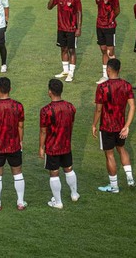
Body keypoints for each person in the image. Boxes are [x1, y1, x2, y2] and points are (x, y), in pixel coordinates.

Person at [92, 58, 136, 193]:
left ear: (108, 70)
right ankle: (130, 177)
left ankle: (114, 186)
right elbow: (132, 106)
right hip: (121, 125)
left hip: (107, 126)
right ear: (119, 70)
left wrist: (94, 124)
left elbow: (99, 109)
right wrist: (127, 125)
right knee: (122, 149)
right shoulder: (127, 85)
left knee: (109, 155)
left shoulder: (102, 87)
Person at [0, 77, 25, 211]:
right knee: (17, 173)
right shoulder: (18, 106)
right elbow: (20, 126)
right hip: (14, 145)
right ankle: (20, 202)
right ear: (10, 89)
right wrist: (20, 141)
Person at [39, 79, 80, 209]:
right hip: (66, 144)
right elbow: (71, 125)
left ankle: (58, 202)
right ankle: (74, 194)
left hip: (52, 147)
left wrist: (41, 147)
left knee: (54, 173)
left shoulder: (46, 110)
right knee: (69, 169)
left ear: (49, 92)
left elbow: (43, 131)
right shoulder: (70, 107)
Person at [47, 0, 82, 82]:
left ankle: (71, 73)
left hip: (71, 29)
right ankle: (65, 71)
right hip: (61, 29)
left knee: (72, 50)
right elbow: (49, 7)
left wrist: (79, 28)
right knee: (63, 49)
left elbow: (79, 12)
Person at [93, 0, 120, 84]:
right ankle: (105, 76)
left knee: (110, 52)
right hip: (99, 25)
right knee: (103, 50)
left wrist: (111, 19)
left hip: (109, 26)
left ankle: (114, 76)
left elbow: (117, 9)